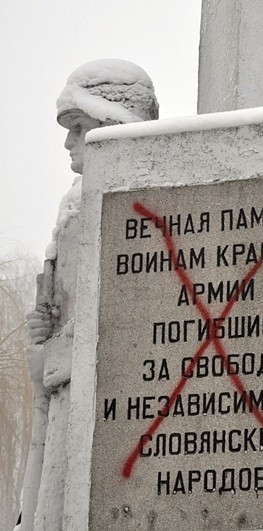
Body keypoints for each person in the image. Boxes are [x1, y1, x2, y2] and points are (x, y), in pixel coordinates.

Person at [20, 58, 158, 531]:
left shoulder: (143, 204)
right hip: (68, 398)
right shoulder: (73, 210)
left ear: (110, 124)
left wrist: (62, 348)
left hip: (114, 409)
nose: (66, 142)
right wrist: (42, 341)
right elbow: (62, 317)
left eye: (77, 127)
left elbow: (133, 318)